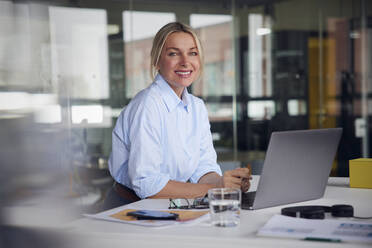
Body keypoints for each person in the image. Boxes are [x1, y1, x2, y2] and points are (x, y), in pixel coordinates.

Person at [104, 22, 250, 210]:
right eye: (173, 53)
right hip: (130, 207)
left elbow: (203, 168)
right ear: (157, 61)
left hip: (171, 204)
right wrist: (215, 187)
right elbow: (148, 185)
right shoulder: (148, 105)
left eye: (193, 53)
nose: (185, 61)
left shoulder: (197, 107)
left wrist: (228, 184)